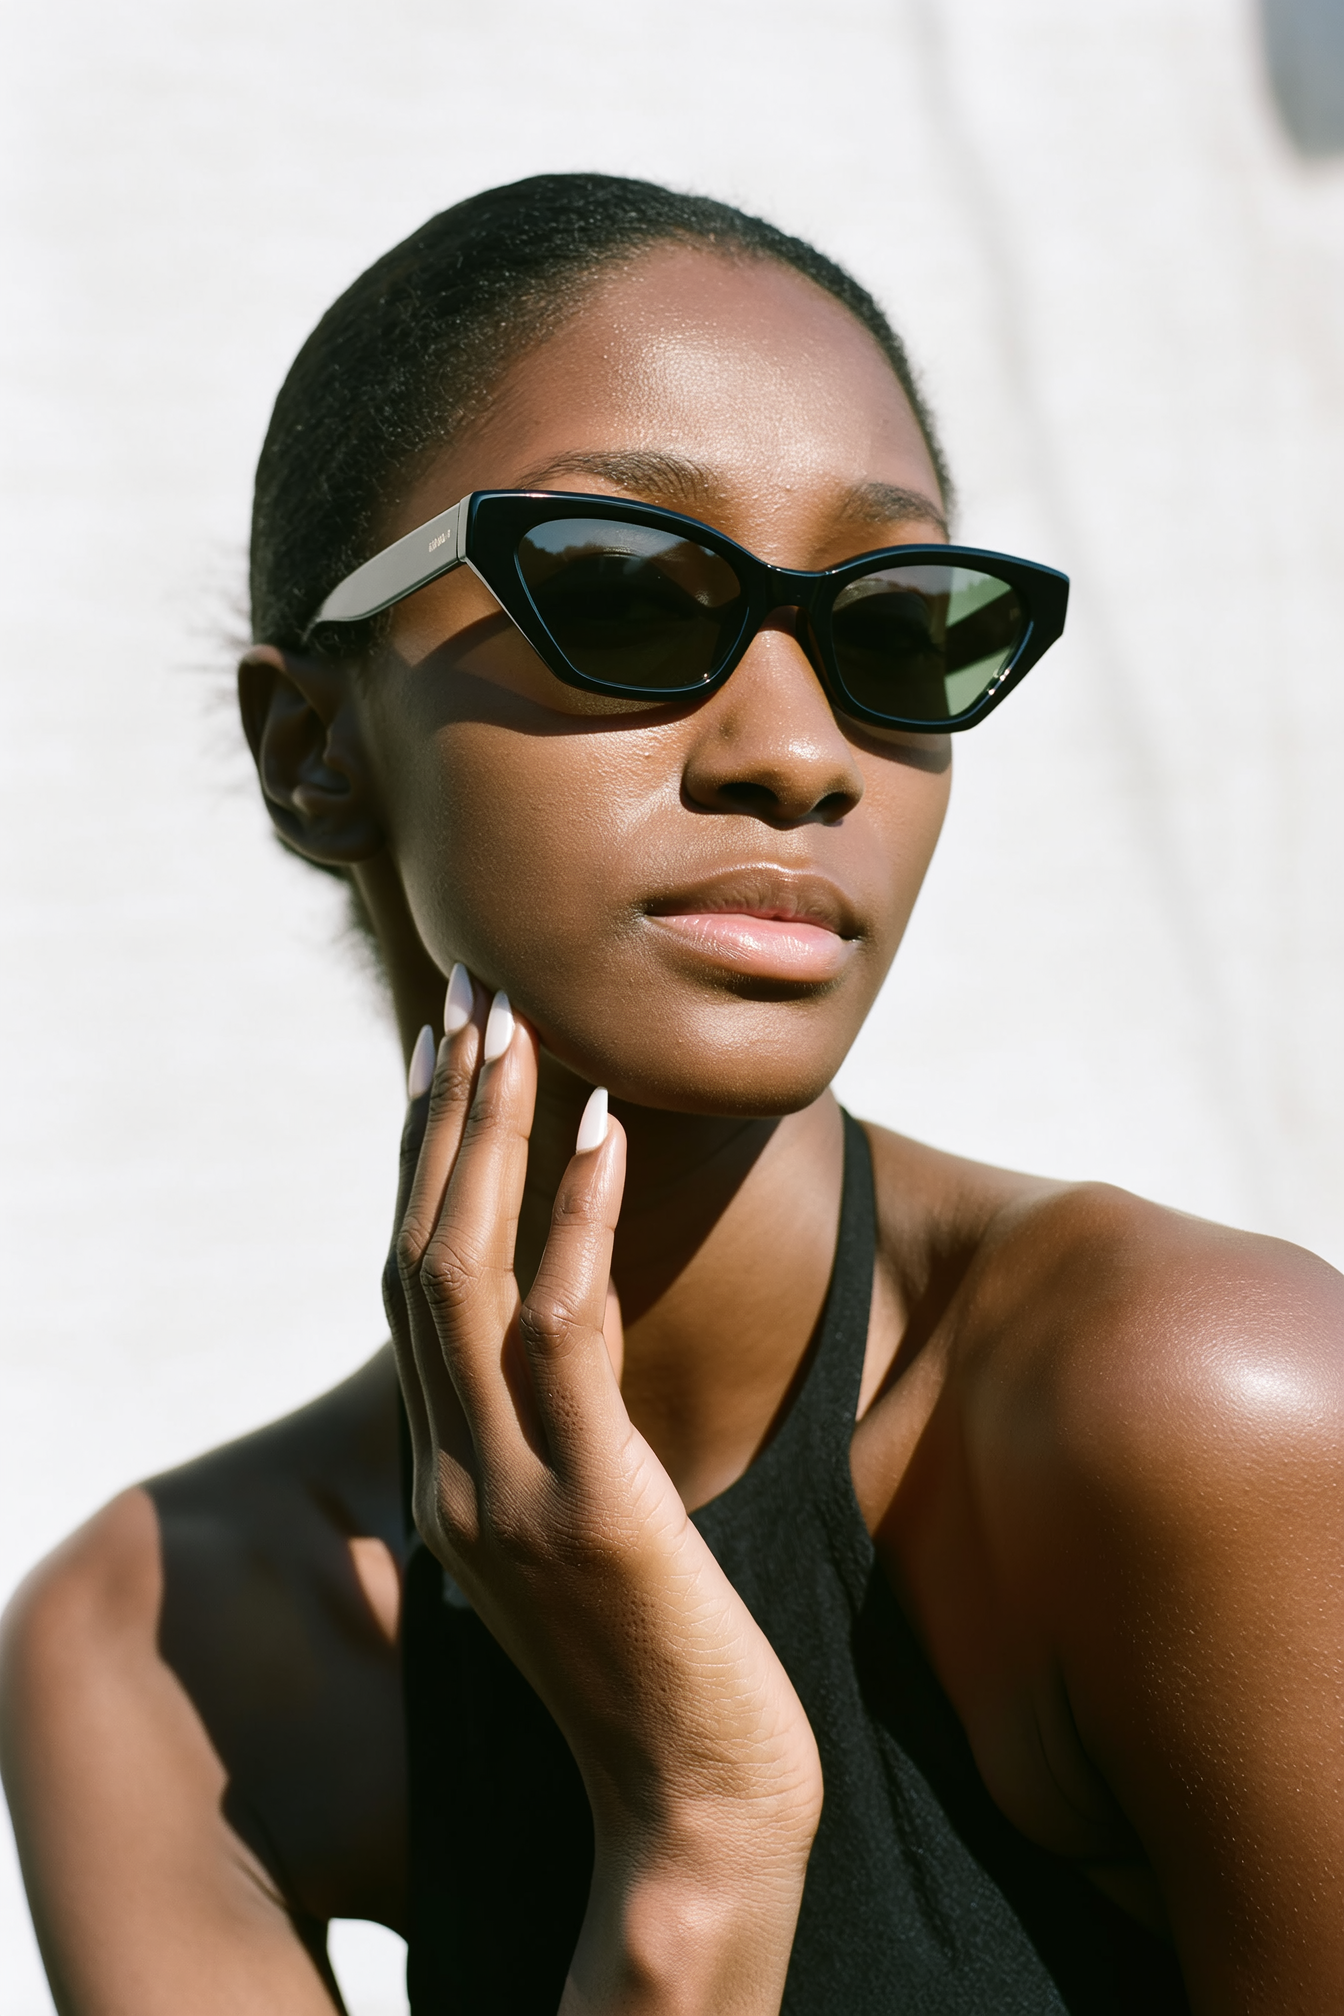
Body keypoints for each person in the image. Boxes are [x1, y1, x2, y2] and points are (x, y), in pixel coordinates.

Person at [1, 173, 1340, 2016]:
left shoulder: (1207, 1413)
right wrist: (696, 1850)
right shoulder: (163, 1649)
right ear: (316, 749)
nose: (799, 754)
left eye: (894, 625)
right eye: (624, 590)